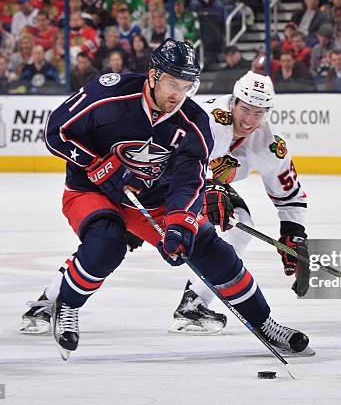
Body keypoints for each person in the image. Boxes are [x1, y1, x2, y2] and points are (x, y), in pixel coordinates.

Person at [18, 39, 311, 360]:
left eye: (186, 86)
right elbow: (56, 130)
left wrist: (180, 223)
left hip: (150, 196)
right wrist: (96, 165)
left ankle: (264, 323)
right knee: (107, 243)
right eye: (173, 83)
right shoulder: (111, 93)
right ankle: (66, 305)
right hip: (91, 188)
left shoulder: (193, 122)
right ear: (153, 75)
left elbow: (188, 179)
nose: (178, 94)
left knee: (211, 249)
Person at [169, 71, 310, 334]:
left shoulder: (269, 144)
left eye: (258, 113)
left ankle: (194, 303)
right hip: (158, 178)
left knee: (238, 223)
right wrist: (210, 187)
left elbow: (289, 194)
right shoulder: (209, 119)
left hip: (196, 185)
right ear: (233, 102)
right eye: (245, 109)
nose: (249, 120)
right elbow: (180, 159)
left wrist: (294, 234)